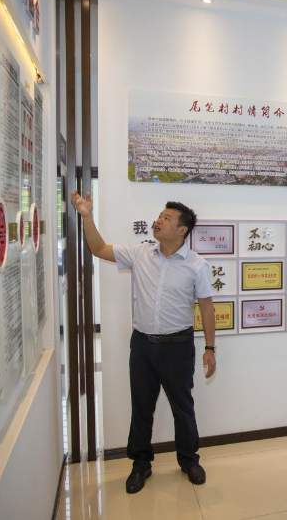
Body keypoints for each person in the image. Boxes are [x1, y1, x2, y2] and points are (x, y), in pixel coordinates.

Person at [71, 191, 216, 494]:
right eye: (160, 215)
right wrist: (87, 216)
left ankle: (189, 460)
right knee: (141, 407)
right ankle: (140, 465)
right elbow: (98, 248)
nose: (158, 220)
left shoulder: (196, 265)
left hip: (178, 345)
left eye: (167, 218)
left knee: (183, 407)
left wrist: (209, 348)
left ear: (182, 230)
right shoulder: (140, 253)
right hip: (142, 345)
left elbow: (206, 307)